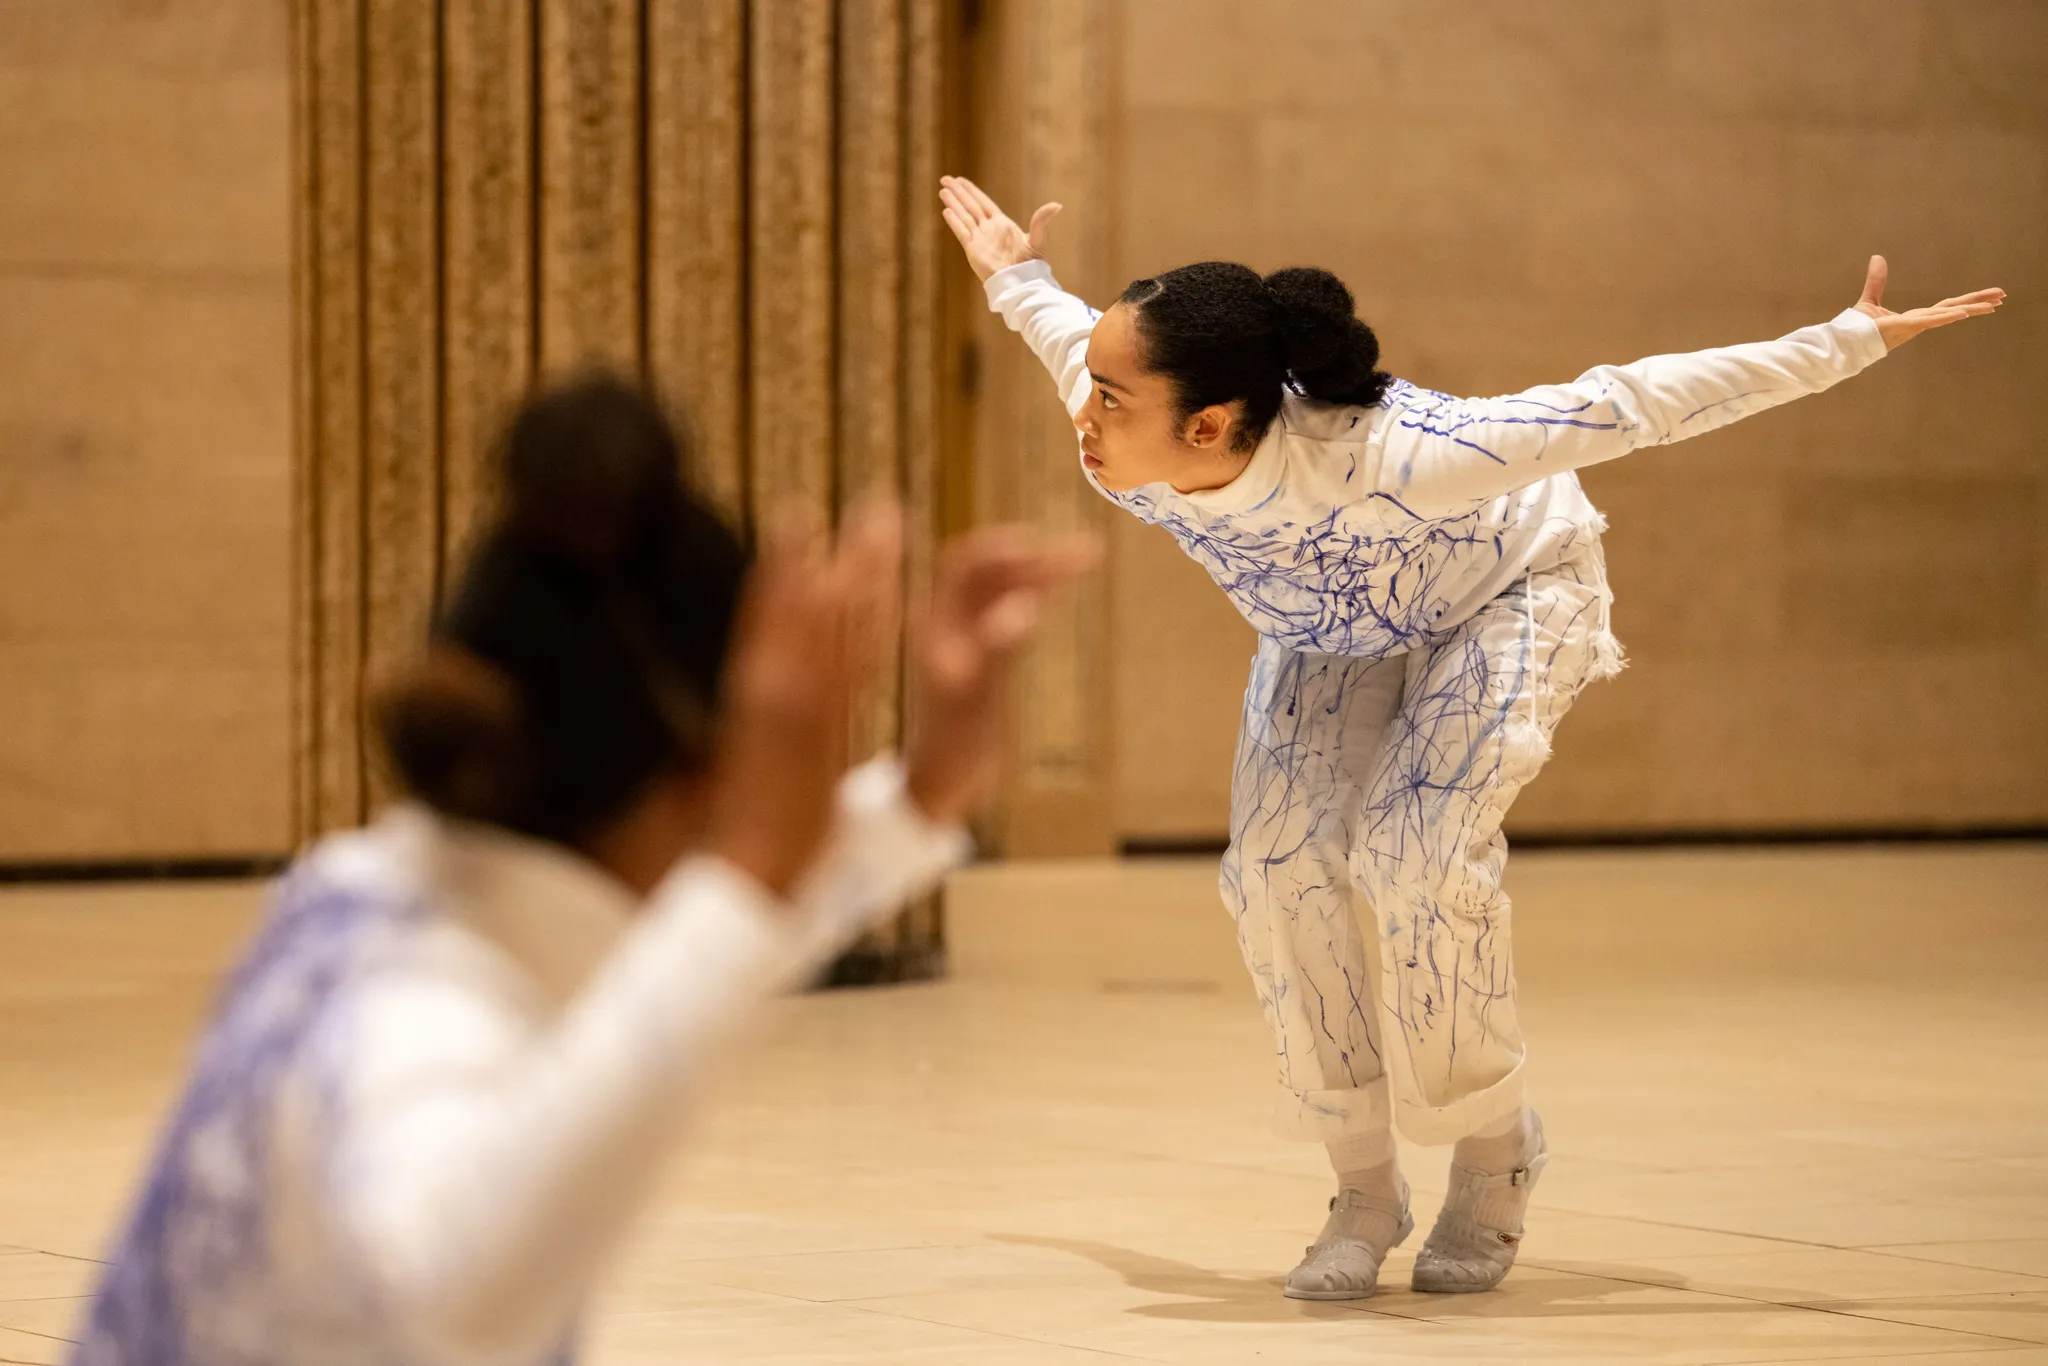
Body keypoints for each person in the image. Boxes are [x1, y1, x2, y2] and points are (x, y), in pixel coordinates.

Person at [940, 173, 2004, 1300]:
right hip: (1334, 630)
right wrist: (1016, 274)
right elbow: (1065, 332)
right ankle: (1362, 1187)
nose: (1084, 414)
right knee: (1271, 869)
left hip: (1503, 596)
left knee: (1413, 848)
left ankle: (1494, 1149)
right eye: (1093, 390)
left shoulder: (1402, 454)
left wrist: (1842, 342)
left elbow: (1624, 402)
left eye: (1110, 397)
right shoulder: (1130, 422)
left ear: (1206, 422)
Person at [71, 374, 1092, 1365]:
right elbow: (458, 1287)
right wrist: (750, 861)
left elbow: (678, 946)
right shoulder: (409, 1005)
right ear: (698, 773)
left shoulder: (364, 887)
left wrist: (920, 790)